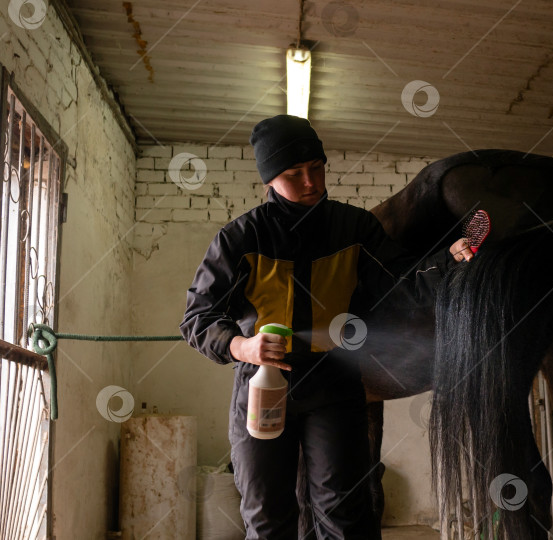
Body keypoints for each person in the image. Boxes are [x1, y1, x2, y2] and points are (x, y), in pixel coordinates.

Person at [180, 114, 472, 539]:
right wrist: (243, 347)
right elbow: (197, 317)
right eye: (293, 174)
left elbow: (402, 282)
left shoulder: (354, 228)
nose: (310, 181)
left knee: (344, 517)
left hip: (335, 386)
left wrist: (448, 259)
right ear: (269, 179)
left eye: (316, 168)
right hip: (262, 386)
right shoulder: (241, 238)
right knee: (266, 518)